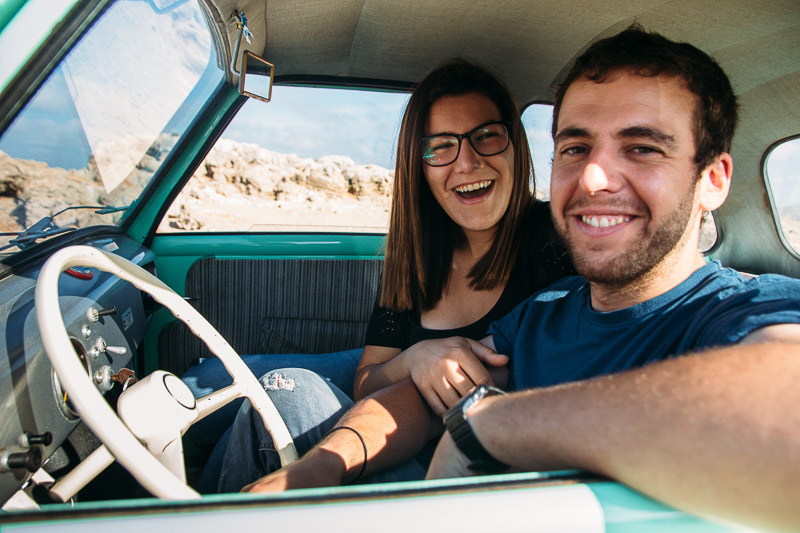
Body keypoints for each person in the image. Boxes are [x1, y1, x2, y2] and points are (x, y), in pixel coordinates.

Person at [224, 26, 800, 531]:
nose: (594, 177)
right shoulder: (544, 311)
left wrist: (489, 424)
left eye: (642, 148)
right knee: (278, 395)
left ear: (713, 180)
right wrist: (322, 466)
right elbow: (417, 401)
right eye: (575, 147)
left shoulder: (743, 308)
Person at [193, 59, 574, 491]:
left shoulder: (556, 243)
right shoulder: (419, 257)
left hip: (456, 472)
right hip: (390, 420)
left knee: (283, 393)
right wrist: (416, 358)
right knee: (207, 382)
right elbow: (366, 380)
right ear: (420, 167)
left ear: (515, 145)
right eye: (441, 146)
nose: (467, 161)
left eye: (486, 136)